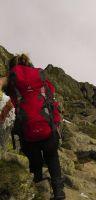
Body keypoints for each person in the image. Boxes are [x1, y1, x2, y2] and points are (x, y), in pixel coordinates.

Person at [7, 54, 65, 200]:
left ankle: (39, 190)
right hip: (48, 129)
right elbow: (51, 99)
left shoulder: (13, 84)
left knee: (35, 162)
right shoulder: (41, 78)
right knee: (52, 157)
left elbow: (11, 105)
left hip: (28, 133)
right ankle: (58, 192)